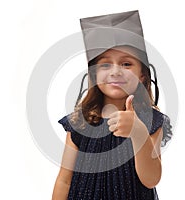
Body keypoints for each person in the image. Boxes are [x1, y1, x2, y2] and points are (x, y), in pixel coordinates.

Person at [52, 10, 172, 200]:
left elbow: (151, 179)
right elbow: (64, 180)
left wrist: (138, 131)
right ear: (94, 74)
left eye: (126, 64)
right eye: (105, 65)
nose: (115, 71)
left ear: (142, 75)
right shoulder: (79, 123)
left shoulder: (150, 121)